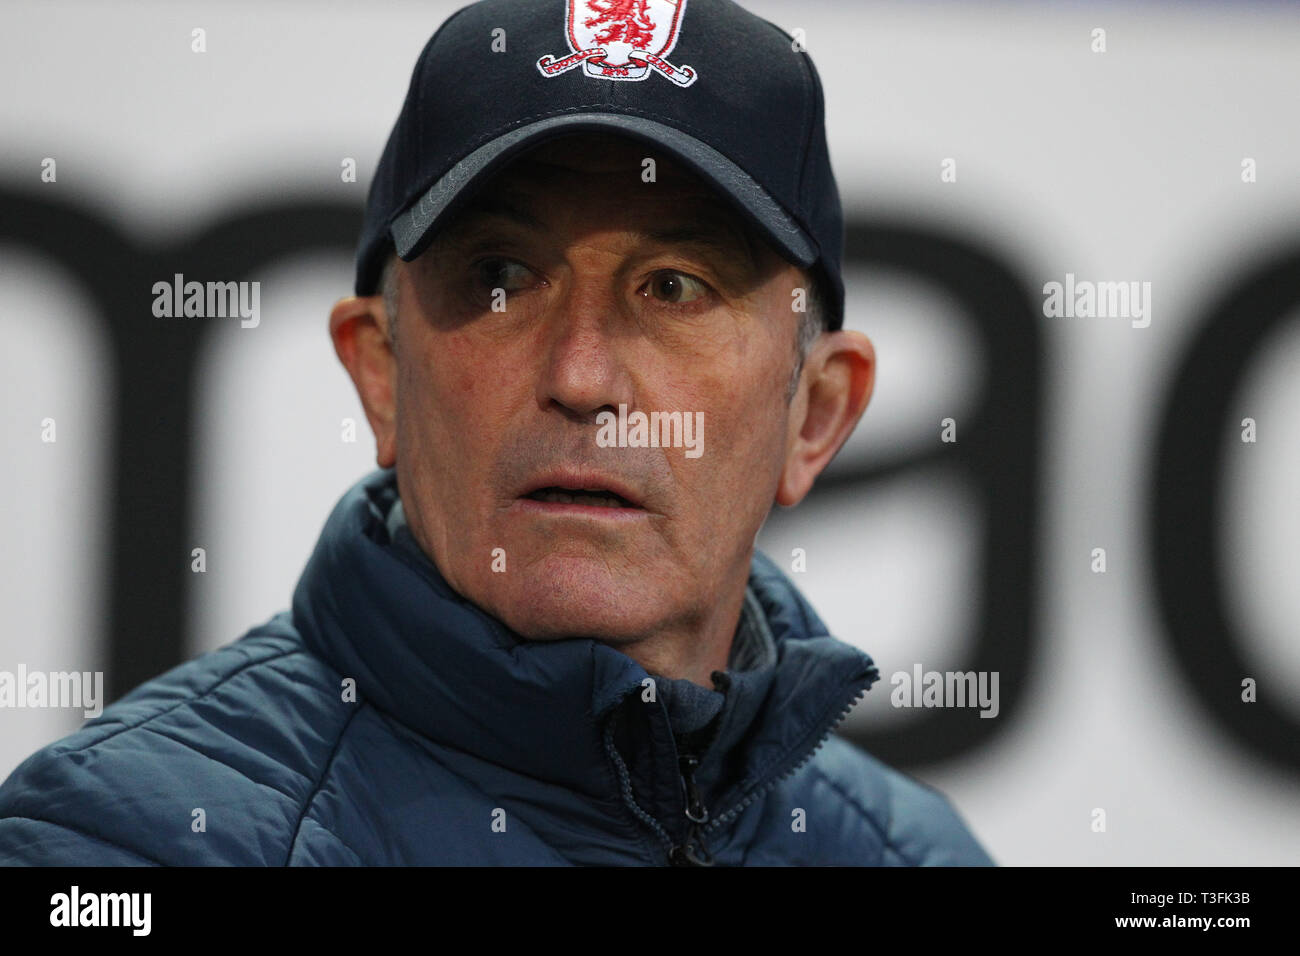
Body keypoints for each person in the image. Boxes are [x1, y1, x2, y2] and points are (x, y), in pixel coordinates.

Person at [0, 0, 993, 866]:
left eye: (673, 286)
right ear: (381, 372)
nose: (579, 376)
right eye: (501, 277)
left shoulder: (919, 856)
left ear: (814, 412)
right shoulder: (126, 843)